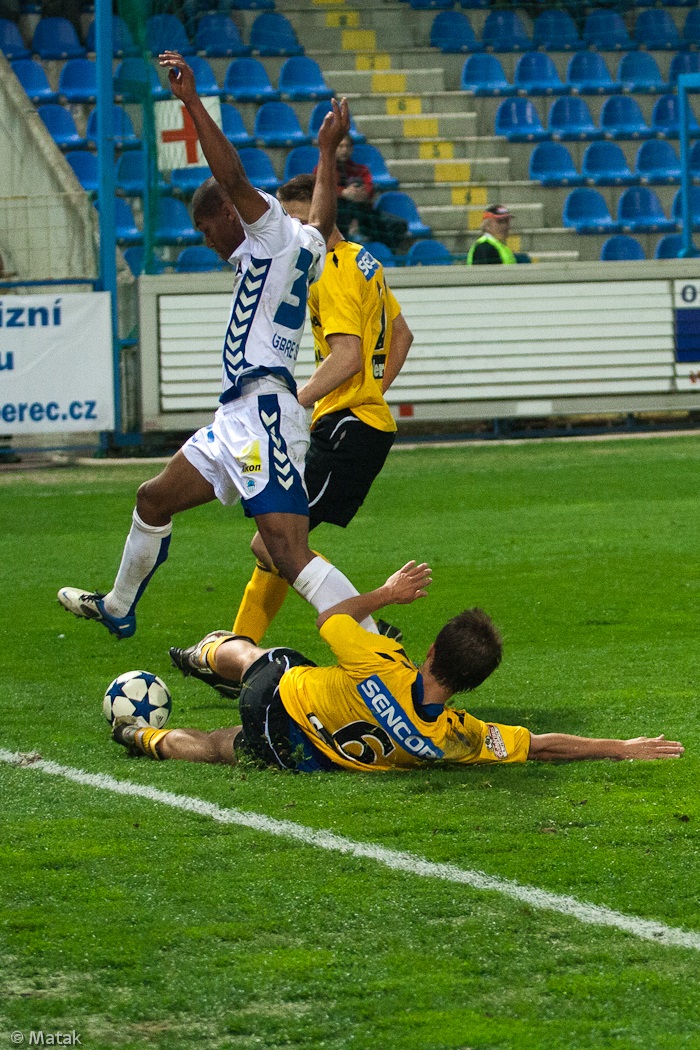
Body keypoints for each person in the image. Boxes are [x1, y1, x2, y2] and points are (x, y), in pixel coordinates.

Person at [58, 55, 377, 641]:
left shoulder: (272, 228)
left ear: (234, 213)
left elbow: (232, 177)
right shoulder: (302, 240)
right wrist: (325, 153)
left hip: (264, 417)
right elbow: (325, 212)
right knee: (153, 498)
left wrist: (191, 103)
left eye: (208, 228)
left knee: (288, 552)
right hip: (234, 417)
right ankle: (120, 604)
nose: (207, 241)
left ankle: (380, 644)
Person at [112, 561, 685, 771]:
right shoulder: (454, 737)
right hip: (300, 751)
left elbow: (331, 617)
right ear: (471, 683)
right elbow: (540, 745)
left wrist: (386, 594)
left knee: (256, 656)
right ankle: (142, 736)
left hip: (284, 695)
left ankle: (200, 655)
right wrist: (620, 746)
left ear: (430, 652)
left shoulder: (382, 660)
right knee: (219, 746)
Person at [230, 173, 414, 647]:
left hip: (347, 428)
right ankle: (238, 649)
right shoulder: (363, 260)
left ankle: (368, 627)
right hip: (356, 422)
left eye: (295, 221)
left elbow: (347, 356)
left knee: (274, 542)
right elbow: (402, 335)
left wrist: (297, 400)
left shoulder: (330, 270)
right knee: (277, 543)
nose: (293, 235)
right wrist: (372, 391)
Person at [324, 135, 407, 252]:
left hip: (363, 213)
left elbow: (369, 190)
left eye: (347, 146)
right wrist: (343, 193)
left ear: (352, 149)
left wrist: (361, 194)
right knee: (346, 207)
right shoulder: (324, 169)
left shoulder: (361, 169)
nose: (344, 150)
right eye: (340, 146)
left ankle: (386, 253)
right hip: (337, 216)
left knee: (399, 224)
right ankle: (355, 232)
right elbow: (321, 189)